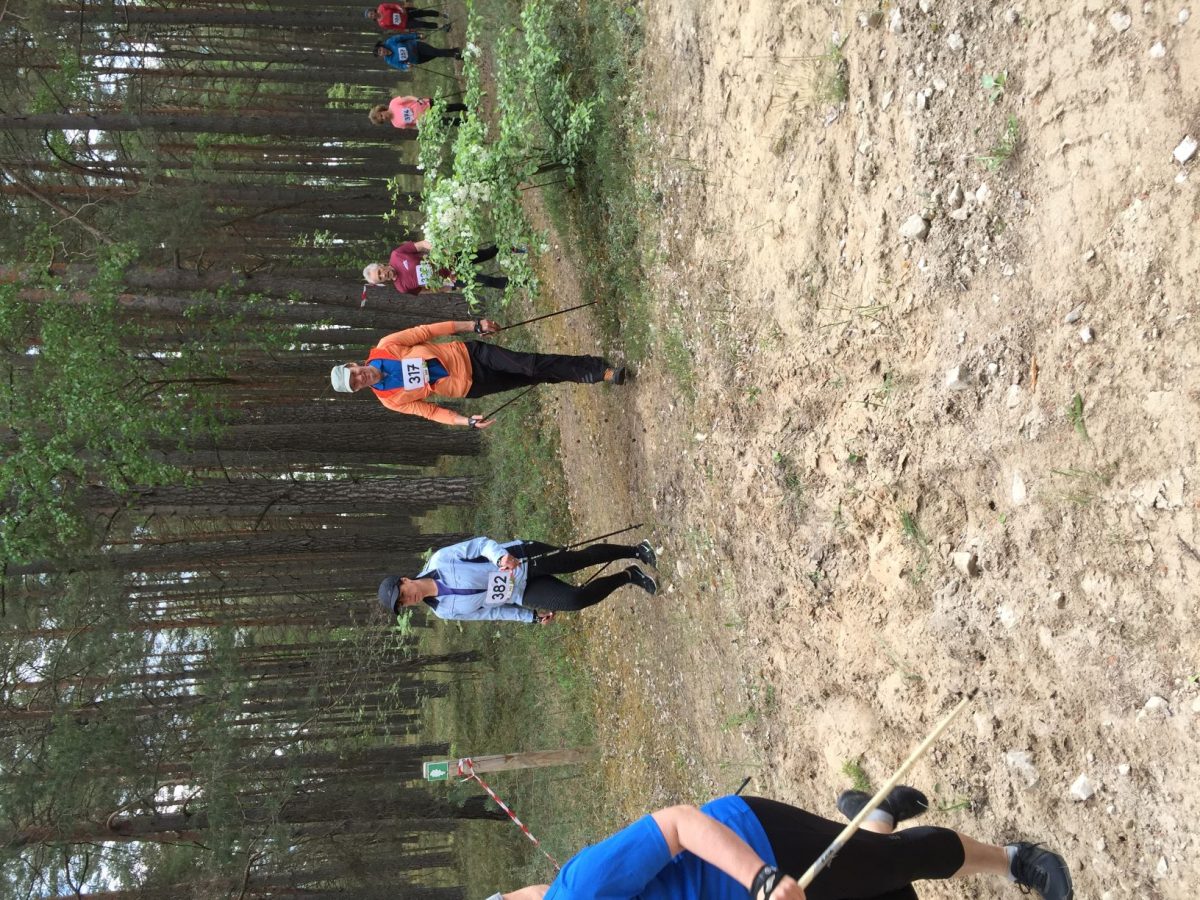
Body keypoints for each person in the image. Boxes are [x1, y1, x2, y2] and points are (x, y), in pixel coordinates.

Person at [489, 784, 1073, 900]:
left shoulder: (579, 892)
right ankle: (874, 816)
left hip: (758, 847)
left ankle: (1016, 860)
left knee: (896, 867)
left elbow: (679, 824)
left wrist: (762, 880)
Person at [329, 320, 626, 425]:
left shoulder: (386, 347)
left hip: (471, 354)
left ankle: (600, 371)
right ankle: (586, 366)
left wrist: (473, 325)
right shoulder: (390, 399)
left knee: (530, 365)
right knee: (533, 376)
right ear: (358, 389)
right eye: (355, 384)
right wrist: (465, 421)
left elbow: (427, 331)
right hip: (472, 386)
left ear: (353, 364)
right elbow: (429, 412)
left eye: (354, 373)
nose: (360, 378)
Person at [377, 535, 659, 624]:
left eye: (403, 593)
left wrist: (500, 557)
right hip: (520, 592)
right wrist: (530, 617)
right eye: (403, 604)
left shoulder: (440, 561)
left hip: (521, 559)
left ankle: (635, 550)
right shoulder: (443, 611)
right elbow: (491, 613)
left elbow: (480, 545)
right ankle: (628, 575)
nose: (408, 599)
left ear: (405, 580)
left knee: (578, 560)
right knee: (575, 600)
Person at [364, 240, 506, 293]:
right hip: (451, 278)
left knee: (487, 253)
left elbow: (422, 244)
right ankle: (516, 283)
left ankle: (510, 246)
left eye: (380, 272)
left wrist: (443, 252)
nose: (383, 275)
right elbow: (425, 290)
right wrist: (448, 287)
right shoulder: (401, 287)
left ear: (381, 265)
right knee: (487, 281)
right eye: (380, 278)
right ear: (382, 282)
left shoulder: (397, 255)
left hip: (449, 260)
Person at [374, 33, 461, 70]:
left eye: (380, 50)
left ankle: (455, 55)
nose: (382, 52)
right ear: (381, 56)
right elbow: (400, 66)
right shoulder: (389, 60)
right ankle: (453, 50)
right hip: (417, 59)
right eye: (380, 53)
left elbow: (403, 37)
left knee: (435, 52)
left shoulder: (390, 42)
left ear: (381, 46)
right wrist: (406, 66)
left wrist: (417, 36)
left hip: (416, 47)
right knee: (435, 54)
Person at [369, 96, 467, 129]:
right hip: (427, 119)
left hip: (426, 105)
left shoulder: (393, 103)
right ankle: (467, 122)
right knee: (448, 122)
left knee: (449, 107)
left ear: (381, 110)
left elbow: (407, 98)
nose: (384, 117)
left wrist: (417, 99)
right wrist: (422, 126)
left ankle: (467, 107)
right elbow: (412, 126)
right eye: (382, 120)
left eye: (381, 115)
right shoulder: (396, 124)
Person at [366, 4, 445, 32]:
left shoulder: (382, 7)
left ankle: (441, 14)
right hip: (405, 23)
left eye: (371, 13)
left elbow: (393, 6)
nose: (373, 15)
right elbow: (394, 27)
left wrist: (400, 8)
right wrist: (404, 29)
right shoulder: (381, 24)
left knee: (423, 13)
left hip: (405, 13)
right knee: (422, 24)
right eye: (371, 16)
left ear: (373, 11)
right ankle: (441, 26)